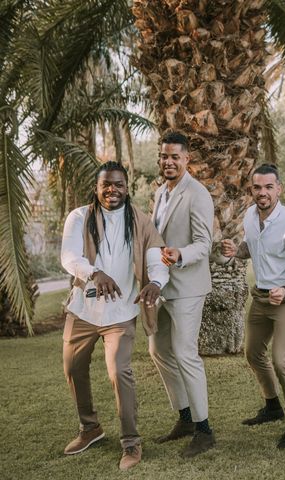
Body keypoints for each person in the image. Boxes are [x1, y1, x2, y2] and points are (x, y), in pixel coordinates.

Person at [60, 161, 169, 470]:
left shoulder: (140, 222)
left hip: (120, 313)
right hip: (83, 309)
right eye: (106, 184)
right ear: (97, 187)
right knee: (73, 366)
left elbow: (155, 256)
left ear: (127, 186)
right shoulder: (79, 217)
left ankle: (131, 442)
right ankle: (90, 428)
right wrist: (95, 273)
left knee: (118, 372)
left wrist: (156, 282)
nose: (112, 189)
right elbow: (69, 256)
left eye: (118, 184)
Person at [221, 164, 285, 449]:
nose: (263, 192)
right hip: (260, 297)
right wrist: (237, 251)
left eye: (269, 187)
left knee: (282, 360)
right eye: (257, 187)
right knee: (252, 352)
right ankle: (272, 407)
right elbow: (251, 246)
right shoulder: (250, 216)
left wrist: (284, 289)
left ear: (279, 189)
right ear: (252, 190)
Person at [148, 131, 215, 458]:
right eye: (164, 156)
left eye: (175, 156)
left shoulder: (197, 194)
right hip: (161, 287)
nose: (168, 162)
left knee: (184, 352)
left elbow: (205, 244)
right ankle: (185, 418)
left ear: (187, 159)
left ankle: (204, 430)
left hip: (188, 287)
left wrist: (180, 255)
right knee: (158, 349)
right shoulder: (160, 192)